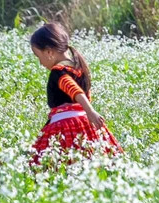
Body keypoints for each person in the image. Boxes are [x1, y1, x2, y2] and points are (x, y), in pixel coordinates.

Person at [30, 23, 122, 161]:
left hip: (64, 126)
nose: (40, 63)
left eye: (38, 56)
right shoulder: (80, 68)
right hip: (84, 123)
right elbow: (86, 94)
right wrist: (88, 113)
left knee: (48, 165)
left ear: (49, 52)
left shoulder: (58, 72)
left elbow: (75, 90)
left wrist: (90, 111)